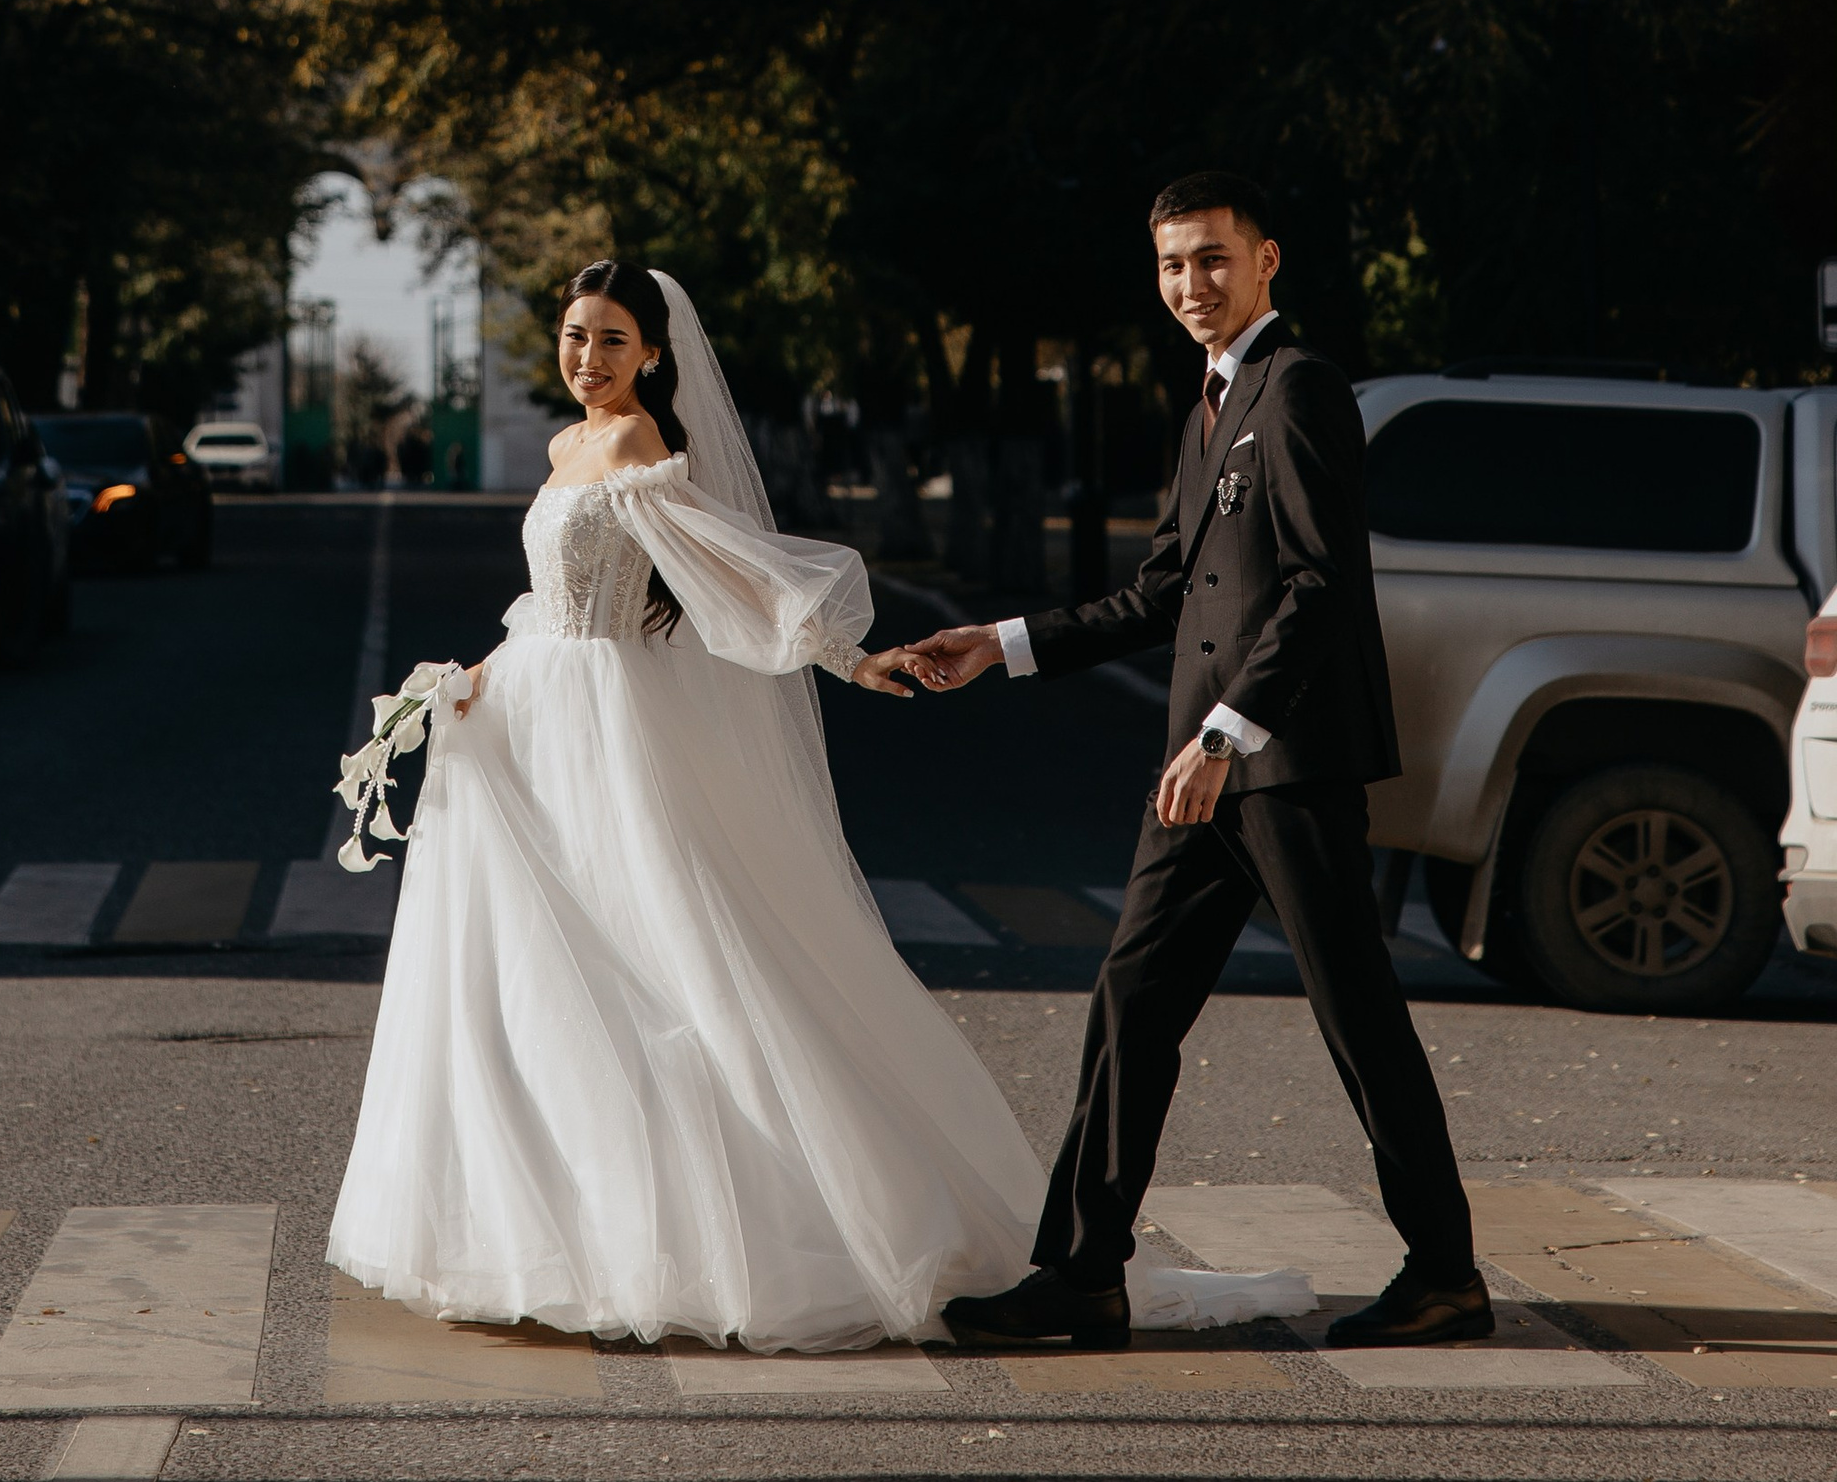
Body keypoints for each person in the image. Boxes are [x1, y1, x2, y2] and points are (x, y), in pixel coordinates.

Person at [327, 258, 1296, 1355]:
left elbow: (735, 577)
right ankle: (545, 1229)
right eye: (572, 335)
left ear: (653, 353)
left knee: (670, 960)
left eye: (608, 340)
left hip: (609, 729)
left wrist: (846, 656)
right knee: (537, 975)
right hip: (533, 718)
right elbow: (544, 608)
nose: (586, 358)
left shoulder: (643, 446)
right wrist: (470, 683)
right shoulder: (561, 449)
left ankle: (734, 1231)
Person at [903, 173, 1491, 1351]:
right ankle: (1080, 1273)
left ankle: (1444, 1274)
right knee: (1132, 998)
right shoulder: (1209, 403)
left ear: (1267, 259)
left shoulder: (1300, 386)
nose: (1190, 285)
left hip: (1277, 762)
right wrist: (1003, 643)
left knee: (1356, 1015)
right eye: (1172, 265)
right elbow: (1163, 589)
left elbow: (1322, 585)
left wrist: (1228, 733)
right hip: (1203, 769)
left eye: (1212, 260)